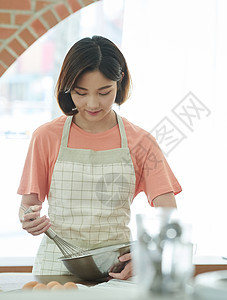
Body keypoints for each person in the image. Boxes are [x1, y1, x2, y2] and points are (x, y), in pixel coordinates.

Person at [17, 36, 182, 279]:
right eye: (80, 93)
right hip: (56, 268)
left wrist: (146, 254)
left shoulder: (142, 142)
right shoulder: (46, 137)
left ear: (120, 81)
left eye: (104, 92)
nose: (92, 103)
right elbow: (27, 205)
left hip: (118, 269)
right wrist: (28, 219)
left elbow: (167, 216)